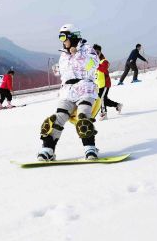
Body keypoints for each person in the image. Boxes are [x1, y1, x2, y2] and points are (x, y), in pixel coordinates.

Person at [37, 24, 100, 161]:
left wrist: (76, 54)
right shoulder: (63, 55)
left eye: (64, 37)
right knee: (57, 118)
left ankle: (90, 148)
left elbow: (93, 64)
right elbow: (65, 73)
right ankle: (48, 149)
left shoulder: (87, 49)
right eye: (60, 37)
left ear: (72, 36)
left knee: (83, 115)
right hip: (67, 91)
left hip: (85, 87)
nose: (62, 41)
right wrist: (57, 70)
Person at [93, 44, 122, 120]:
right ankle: (117, 105)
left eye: (97, 52)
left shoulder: (104, 61)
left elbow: (103, 69)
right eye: (93, 52)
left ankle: (103, 114)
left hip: (105, 84)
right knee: (104, 99)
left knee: (101, 99)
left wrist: (96, 64)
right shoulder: (93, 61)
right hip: (98, 84)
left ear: (100, 52)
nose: (95, 54)